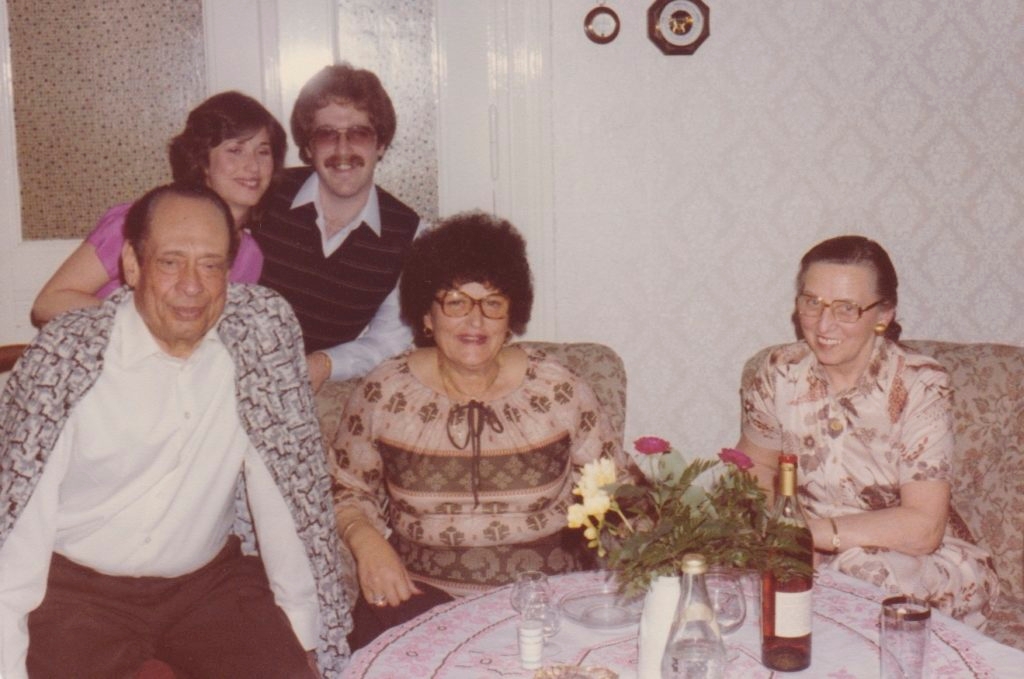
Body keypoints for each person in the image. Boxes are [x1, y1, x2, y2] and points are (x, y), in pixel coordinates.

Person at [0, 184, 350, 677]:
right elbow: (18, 527)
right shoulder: (69, 360)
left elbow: (287, 496)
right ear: (132, 264)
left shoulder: (256, 345)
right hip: (76, 593)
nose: (193, 285)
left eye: (211, 264)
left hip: (207, 585)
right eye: (171, 262)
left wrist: (302, 636)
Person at [329, 211, 629, 649]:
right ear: (427, 316)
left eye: (492, 303)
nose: (475, 322)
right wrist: (367, 542)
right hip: (417, 598)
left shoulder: (559, 390)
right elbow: (345, 489)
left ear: (511, 316)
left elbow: (614, 493)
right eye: (455, 302)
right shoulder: (384, 392)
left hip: (544, 606)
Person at [736, 234, 999, 628]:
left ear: (883, 314)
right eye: (812, 303)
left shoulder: (920, 385)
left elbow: (924, 527)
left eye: (847, 309)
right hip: (802, 548)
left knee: (861, 573)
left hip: (913, 561)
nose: (824, 325)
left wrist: (807, 535)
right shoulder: (778, 372)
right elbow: (753, 464)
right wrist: (767, 532)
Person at [31, 91, 286, 326]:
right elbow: (48, 304)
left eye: (263, 152)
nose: (253, 166)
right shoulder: (138, 222)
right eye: (235, 150)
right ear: (203, 162)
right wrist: (145, 324)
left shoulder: (251, 256)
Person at [253, 63, 424, 392]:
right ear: (308, 147)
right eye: (326, 134)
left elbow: (388, 343)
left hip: (300, 394)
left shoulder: (409, 236)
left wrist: (323, 364)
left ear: (381, 145)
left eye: (359, 133)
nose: (343, 150)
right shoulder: (264, 194)